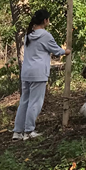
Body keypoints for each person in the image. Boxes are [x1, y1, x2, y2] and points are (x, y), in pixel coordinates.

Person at [12, 9, 70, 141]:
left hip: (26, 72)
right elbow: (56, 50)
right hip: (38, 73)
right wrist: (66, 51)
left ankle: (17, 131)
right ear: (45, 21)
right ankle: (29, 130)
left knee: (24, 101)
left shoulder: (28, 34)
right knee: (35, 102)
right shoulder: (45, 35)